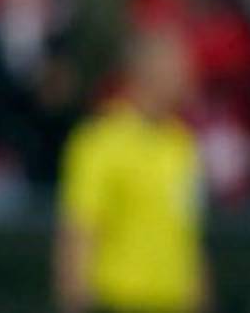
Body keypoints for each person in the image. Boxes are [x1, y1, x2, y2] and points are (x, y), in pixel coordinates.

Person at [55, 25, 211, 313]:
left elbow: (189, 234)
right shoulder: (100, 141)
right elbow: (80, 231)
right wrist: (74, 298)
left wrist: (200, 295)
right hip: (119, 301)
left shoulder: (182, 144)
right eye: (176, 69)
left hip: (174, 302)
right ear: (146, 73)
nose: (186, 77)